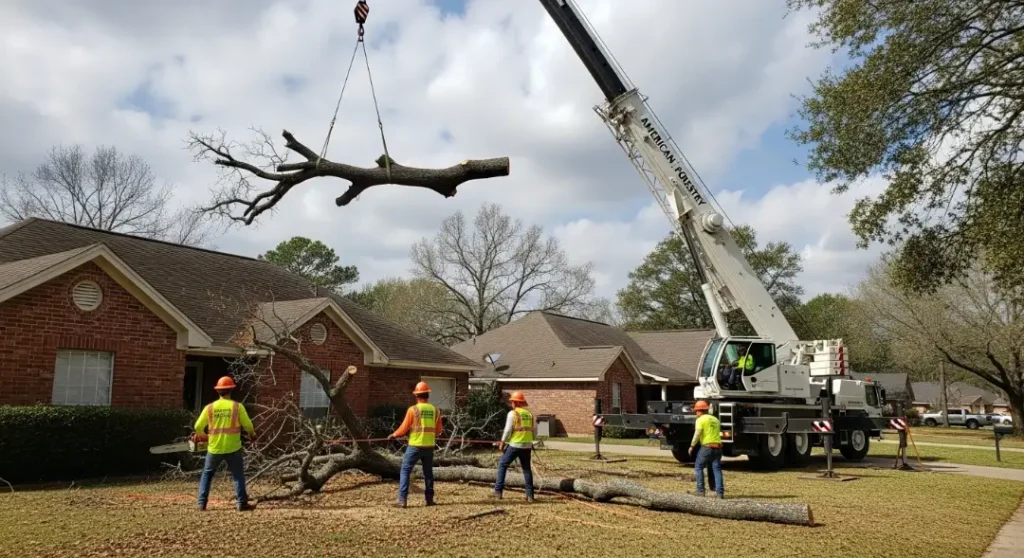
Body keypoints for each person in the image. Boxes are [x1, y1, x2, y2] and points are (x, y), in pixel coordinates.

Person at [194, 376, 257, 511]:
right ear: (231, 390)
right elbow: (248, 425)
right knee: (237, 476)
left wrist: (205, 437)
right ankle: (242, 503)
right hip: (233, 447)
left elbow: (197, 427)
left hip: (214, 448)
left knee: (207, 475)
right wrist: (253, 436)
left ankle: (201, 503)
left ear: (218, 391)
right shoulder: (237, 407)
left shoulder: (209, 408)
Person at [388, 381, 443, 508]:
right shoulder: (435, 410)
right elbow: (439, 430)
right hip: (429, 446)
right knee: (428, 473)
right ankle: (429, 500)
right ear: (427, 395)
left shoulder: (413, 410)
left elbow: (404, 428)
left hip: (415, 446)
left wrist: (394, 435)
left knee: (405, 470)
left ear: (417, 396)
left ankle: (402, 500)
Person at [493, 391, 536, 502]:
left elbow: (507, 430)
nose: (511, 403)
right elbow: (532, 431)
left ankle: (498, 492)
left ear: (514, 403)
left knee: (502, 465)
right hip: (527, 446)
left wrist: (502, 443)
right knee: (526, 469)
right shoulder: (529, 414)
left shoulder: (513, 414)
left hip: (515, 445)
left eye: (512, 401)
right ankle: (530, 495)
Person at [688, 400, 723, 498]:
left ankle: (700, 491)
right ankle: (719, 493)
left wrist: (692, 446)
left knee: (698, 467)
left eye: (696, 411)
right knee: (716, 469)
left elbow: (697, 433)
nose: (696, 413)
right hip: (718, 447)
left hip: (707, 447)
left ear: (699, 411)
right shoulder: (715, 419)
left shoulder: (700, 420)